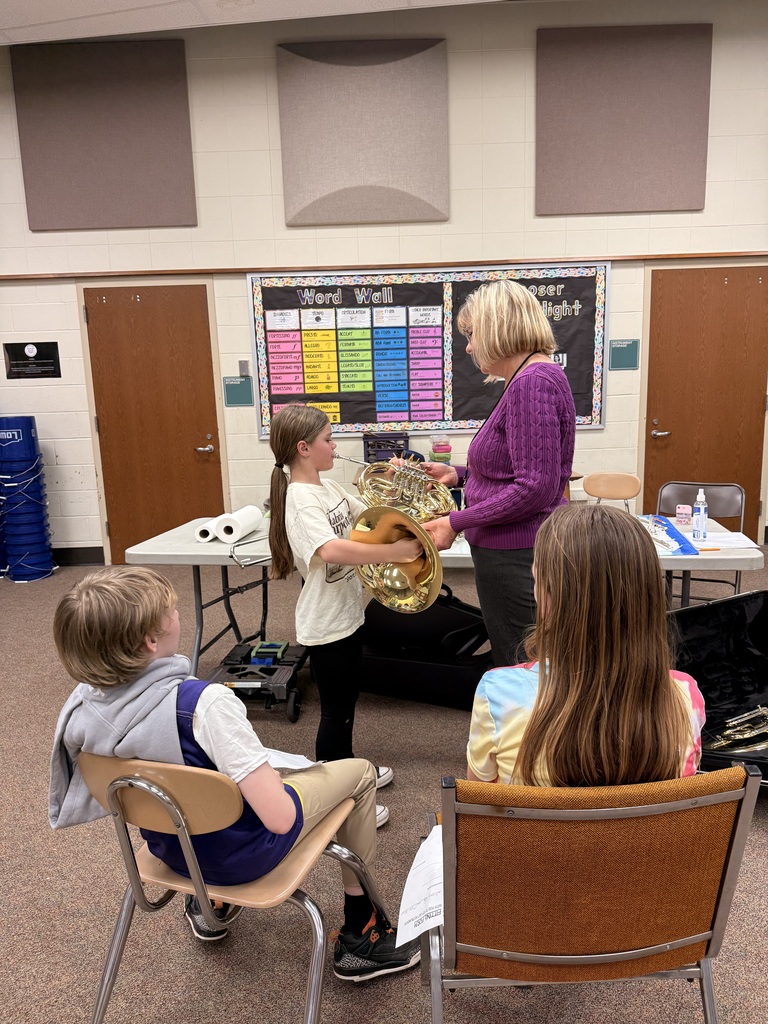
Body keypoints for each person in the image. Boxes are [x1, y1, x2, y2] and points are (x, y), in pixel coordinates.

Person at [49, 566, 420, 981]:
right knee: (360, 773)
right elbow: (279, 819)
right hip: (244, 857)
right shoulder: (202, 704)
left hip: (173, 854)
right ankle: (362, 933)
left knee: (217, 786)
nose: (177, 615)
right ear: (151, 641)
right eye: (170, 612)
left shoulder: (80, 711)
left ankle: (213, 908)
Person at [466, 504, 706, 787]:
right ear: (647, 595)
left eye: (536, 580)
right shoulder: (685, 696)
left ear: (550, 597)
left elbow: (480, 799)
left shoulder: (497, 693)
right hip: (642, 833)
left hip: (533, 832)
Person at [268, 403, 423, 828]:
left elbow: (367, 517)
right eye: (328, 440)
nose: (335, 447)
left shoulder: (328, 488)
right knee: (335, 711)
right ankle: (338, 805)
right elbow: (330, 550)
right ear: (304, 448)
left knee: (347, 704)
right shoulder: (299, 501)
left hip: (347, 615)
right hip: (325, 625)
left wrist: (396, 487)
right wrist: (394, 552)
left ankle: (349, 772)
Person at [418, 279, 576, 667]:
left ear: (497, 327)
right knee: (524, 658)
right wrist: (458, 475)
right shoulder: (531, 378)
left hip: (516, 553)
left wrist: (455, 521)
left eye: (472, 335)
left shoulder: (531, 383)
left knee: (520, 666)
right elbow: (516, 469)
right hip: (516, 548)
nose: (469, 347)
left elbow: (534, 488)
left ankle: (523, 731)